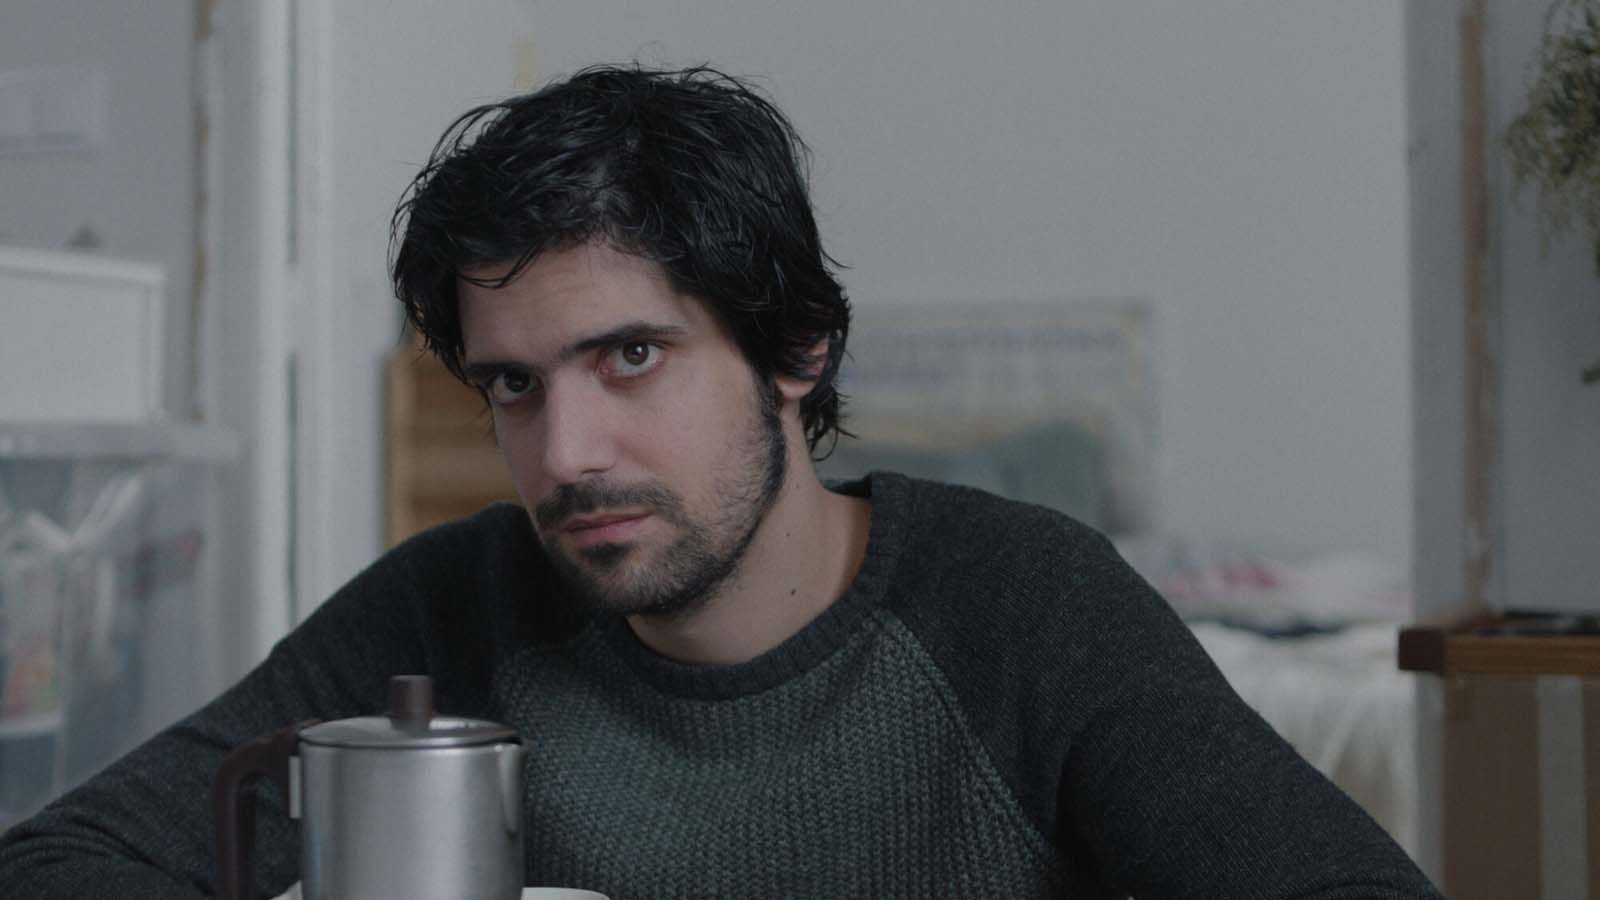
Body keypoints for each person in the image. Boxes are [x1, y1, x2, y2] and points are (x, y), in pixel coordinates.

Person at [0, 65, 1441, 900]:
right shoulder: (455, 609)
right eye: (514, 385)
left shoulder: (1021, 604)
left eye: (629, 356)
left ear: (796, 350)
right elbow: (69, 858)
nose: (566, 454)